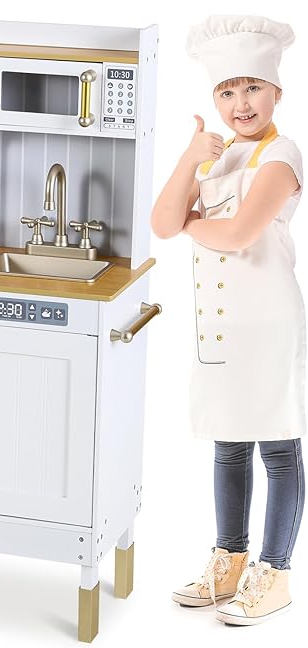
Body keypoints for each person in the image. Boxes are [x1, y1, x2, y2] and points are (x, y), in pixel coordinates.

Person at [151, 15, 305, 626]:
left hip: (268, 324)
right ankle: (229, 562)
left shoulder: (282, 156)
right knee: (229, 445)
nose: (241, 103)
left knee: (278, 448)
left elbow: (239, 234)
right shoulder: (217, 157)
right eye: (227, 91)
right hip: (218, 330)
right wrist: (190, 159)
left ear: (276, 91)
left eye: (252, 87)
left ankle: (275, 574)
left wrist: (193, 223)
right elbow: (162, 222)